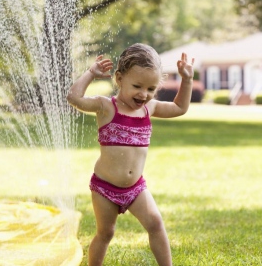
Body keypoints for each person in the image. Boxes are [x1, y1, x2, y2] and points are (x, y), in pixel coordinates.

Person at [66, 43, 194, 266]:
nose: (144, 94)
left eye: (151, 89)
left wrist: (187, 80)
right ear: (119, 78)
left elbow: (179, 108)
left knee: (155, 223)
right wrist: (90, 73)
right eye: (137, 86)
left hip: (136, 188)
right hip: (105, 188)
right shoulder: (106, 107)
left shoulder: (149, 108)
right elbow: (74, 98)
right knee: (106, 233)